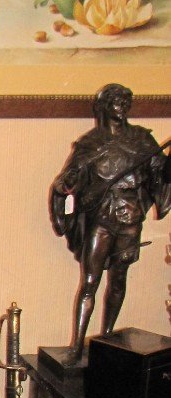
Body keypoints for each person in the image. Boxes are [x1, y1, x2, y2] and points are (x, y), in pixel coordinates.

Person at [50, 83, 171, 362]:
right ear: (103, 107)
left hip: (129, 218)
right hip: (101, 219)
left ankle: (107, 340)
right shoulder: (90, 144)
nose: (122, 106)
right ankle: (77, 345)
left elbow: (161, 175)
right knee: (90, 281)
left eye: (125, 101)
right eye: (115, 101)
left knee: (118, 281)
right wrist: (64, 189)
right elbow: (68, 181)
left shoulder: (142, 140)